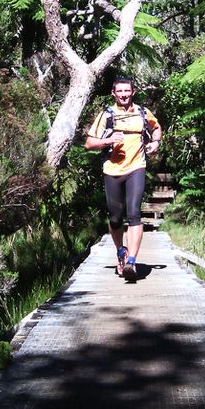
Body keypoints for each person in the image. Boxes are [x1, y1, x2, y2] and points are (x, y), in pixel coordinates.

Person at [85, 76, 162, 280]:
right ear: (114, 93)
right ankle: (121, 251)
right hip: (112, 170)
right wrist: (109, 139)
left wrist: (155, 143)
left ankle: (132, 262)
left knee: (135, 213)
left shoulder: (143, 112)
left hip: (137, 167)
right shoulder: (107, 115)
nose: (124, 95)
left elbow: (156, 128)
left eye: (127, 91)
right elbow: (89, 143)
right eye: (120, 91)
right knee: (115, 218)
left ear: (133, 92)